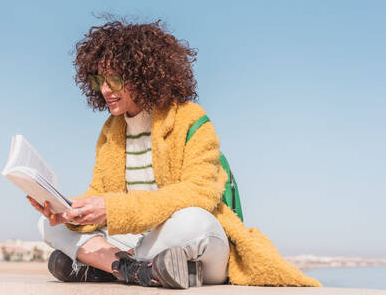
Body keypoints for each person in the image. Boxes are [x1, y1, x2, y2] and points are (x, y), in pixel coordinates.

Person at [27, 19, 322, 289]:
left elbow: (200, 193)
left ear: (141, 76)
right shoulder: (110, 131)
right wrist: (69, 212)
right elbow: (100, 193)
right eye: (98, 80)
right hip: (135, 240)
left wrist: (115, 210)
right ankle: (135, 270)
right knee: (47, 227)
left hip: (193, 241)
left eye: (114, 79)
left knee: (192, 221)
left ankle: (106, 266)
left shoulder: (191, 120)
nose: (105, 89)